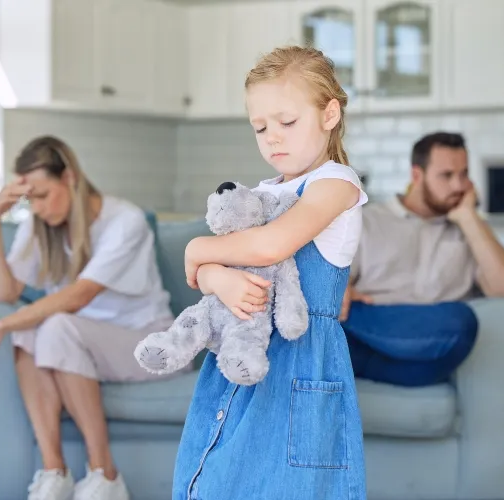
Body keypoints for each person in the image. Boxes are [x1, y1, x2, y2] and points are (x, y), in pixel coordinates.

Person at [171, 46, 368, 500]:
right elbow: (207, 278)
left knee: (287, 484)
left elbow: (272, 245)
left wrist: (200, 247)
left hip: (300, 362)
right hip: (241, 354)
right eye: (260, 127)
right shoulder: (260, 193)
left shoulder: (336, 184)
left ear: (329, 113)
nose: (272, 138)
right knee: (220, 477)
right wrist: (218, 277)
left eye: (287, 122)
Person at [0, 136, 182, 500]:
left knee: (52, 325)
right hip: (79, 341)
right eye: (28, 199)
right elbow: (4, 293)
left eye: (42, 194)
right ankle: (55, 472)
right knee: (31, 335)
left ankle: (105, 474)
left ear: (68, 178)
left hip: (146, 341)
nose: (36, 207)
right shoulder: (39, 226)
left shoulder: (124, 221)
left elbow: (80, 295)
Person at [340, 131, 504, 387]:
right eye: (447, 175)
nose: (459, 186)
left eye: (464, 174)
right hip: (373, 329)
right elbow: (338, 288)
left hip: (432, 346)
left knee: (460, 324)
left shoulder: (471, 233)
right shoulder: (369, 220)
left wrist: (469, 218)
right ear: (417, 176)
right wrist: (343, 287)